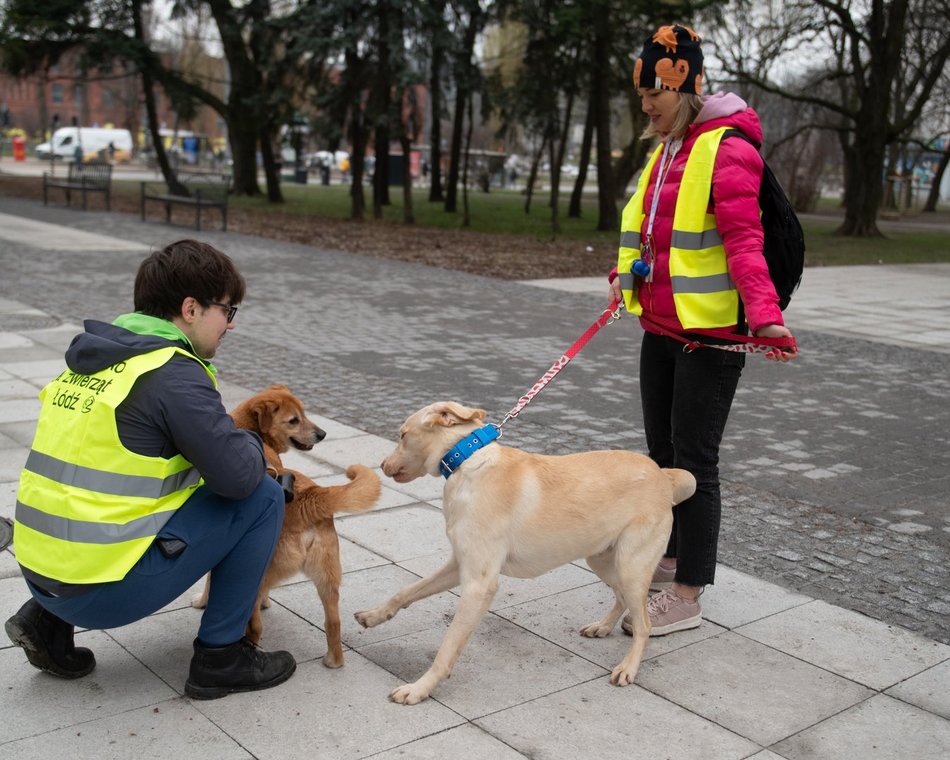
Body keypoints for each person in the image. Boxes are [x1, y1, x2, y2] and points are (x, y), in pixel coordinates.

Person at [4, 240, 296, 700]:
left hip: (40, 572)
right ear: (191, 308)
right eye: (227, 309)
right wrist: (250, 442)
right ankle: (222, 658)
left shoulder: (95, 359)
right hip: (95, 591)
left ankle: (45, 623)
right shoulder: (172, 374)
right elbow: (238, 478)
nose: (232, 323)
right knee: (262, 495)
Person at [607, 24, 797, 638]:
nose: (646, 106)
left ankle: (689, 591)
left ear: (680, 81)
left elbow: (746, 240)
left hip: (711, 338)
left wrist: (765, 316)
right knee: (659, 456)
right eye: (641, 97)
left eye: (653, 94)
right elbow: (645, 230)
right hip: (660, 327)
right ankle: (668, 558)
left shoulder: (728, 147)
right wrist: (622, 273)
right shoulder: (666, 149)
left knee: (695, 461)